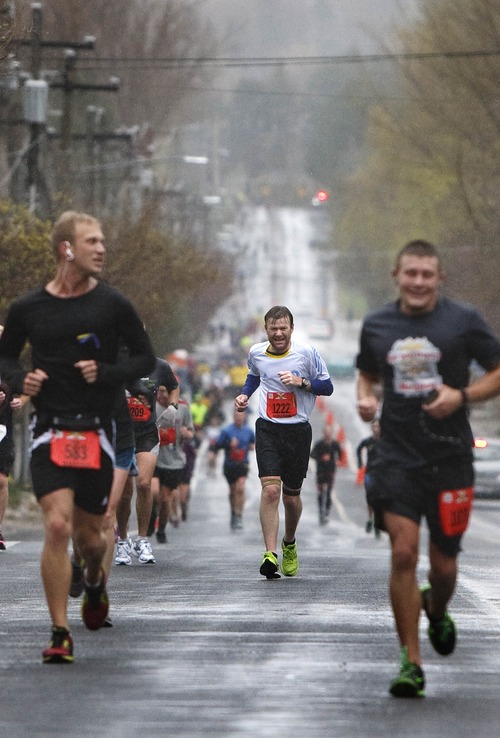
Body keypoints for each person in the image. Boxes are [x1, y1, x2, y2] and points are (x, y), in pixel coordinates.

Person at [0, 210, 156, 663]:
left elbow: (145, 359)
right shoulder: (28, 308)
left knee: (91, 540)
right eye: (92, 241)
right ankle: (59, 632)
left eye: (103, 241)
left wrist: (106, 373)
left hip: (97, 430)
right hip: (50, 428)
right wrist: (21, 379)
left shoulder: (113, 305)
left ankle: (92, 580)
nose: (102, 249)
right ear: (66, 249)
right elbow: (5, 359)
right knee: (56, 525)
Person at [356, 239, 500, 698]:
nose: (418, 282)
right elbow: (367, 374)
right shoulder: (377, 324)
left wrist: (463, 396)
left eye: (426, 274)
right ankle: (411, 664)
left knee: (444, 566)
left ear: (439, 279)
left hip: (450, 457)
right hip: (396, 455)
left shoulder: (463, 321)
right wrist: (365, 399)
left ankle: (435, 608)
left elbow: (498, 370)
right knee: (403, 553)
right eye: (410, 273)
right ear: (396, 275)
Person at [235, 305, 333, 579]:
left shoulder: (306, 353)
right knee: (270, 491)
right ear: (266, 329)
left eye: (283, 328)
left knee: (291, 498)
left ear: (291, 329)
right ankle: (270, 553)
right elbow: (254, 376)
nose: (278, 334)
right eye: (273, 329)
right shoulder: (256, 352)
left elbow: (327, 387)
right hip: (268, 428)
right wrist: (244, 395)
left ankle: (289, 542)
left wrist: (301, 382)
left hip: (298, 431)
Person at [115, 358, 179, 565]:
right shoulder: (115, 363)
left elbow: (173, 386)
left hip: (147, 434)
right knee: (125, 494)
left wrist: (173, 406)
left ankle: (142, 540)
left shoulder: (158, 366)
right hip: (121, 434)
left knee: (144, 484)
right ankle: (123, 540)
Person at [153, 383, 194, 542]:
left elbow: (191, 431)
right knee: (153, 492)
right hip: (154, 457)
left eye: (168, 392)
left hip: (174, 460)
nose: (164, 395)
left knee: (165, 499)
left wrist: (186, 433)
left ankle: (161, 529)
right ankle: (151, 516)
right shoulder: (152, 405)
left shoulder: (183, 407)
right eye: (161, 391)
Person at [0, 328, 26, 550]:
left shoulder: (10, 367)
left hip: (2, 428)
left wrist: (20, 401)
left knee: (1, 481)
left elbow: (27, 389)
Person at [215, 408, 255, 530]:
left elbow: (253, 443)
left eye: (241, 416)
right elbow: (217, 445)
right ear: (233, 417)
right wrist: (229, 444)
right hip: (230, 465)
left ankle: (239, 516)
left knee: (240, 488)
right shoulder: (227, 430)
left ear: (244, 417)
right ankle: (233, 512)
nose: (239, 418)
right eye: (237, 416)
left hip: (243, 464)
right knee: (233, 491)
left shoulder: (248, 430)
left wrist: (251, 446)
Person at [310, 424, 342, 525]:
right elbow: (312, 454)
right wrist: (321, 457)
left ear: (331, 433)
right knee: (320, 492)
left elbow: (340, 453)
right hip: (321, 470)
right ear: (323, 433)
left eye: (329, 432)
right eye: (326, 432)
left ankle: (327, 512)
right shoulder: (319, 444)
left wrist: (338, 460)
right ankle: (321, 512)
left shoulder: (335, 444)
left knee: (328, 492)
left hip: (330, 470)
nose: (327, 434)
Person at [355, 419, 381, 537]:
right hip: (370, 473)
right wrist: (360, 463)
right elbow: (359, 449)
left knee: (380, 498)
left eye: (377, 427)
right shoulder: (368, 441)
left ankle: (378, 521)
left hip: (382, 474)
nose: (375, 429)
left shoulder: (385, 441)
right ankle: (370, 518)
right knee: (370, 498)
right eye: (373, 427)